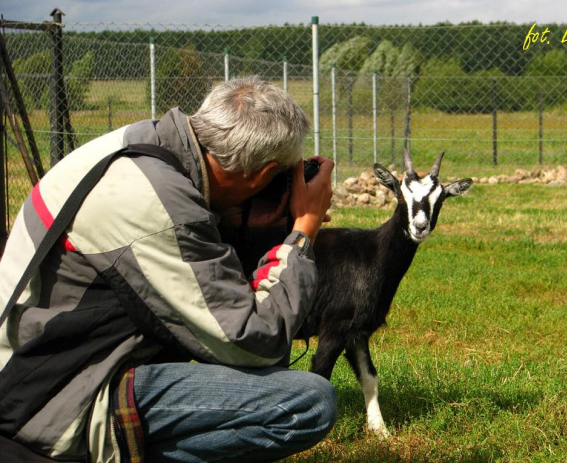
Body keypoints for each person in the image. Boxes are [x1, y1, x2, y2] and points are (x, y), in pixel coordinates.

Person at [0, 76, 337, 462]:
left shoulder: (141, 145)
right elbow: (254, 341)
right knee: (307, 403)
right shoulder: (162, 207)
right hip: (53, 401)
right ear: (262, 174)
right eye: (278, 177)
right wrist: (301, 234)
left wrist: (258, 225)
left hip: (31, 363)